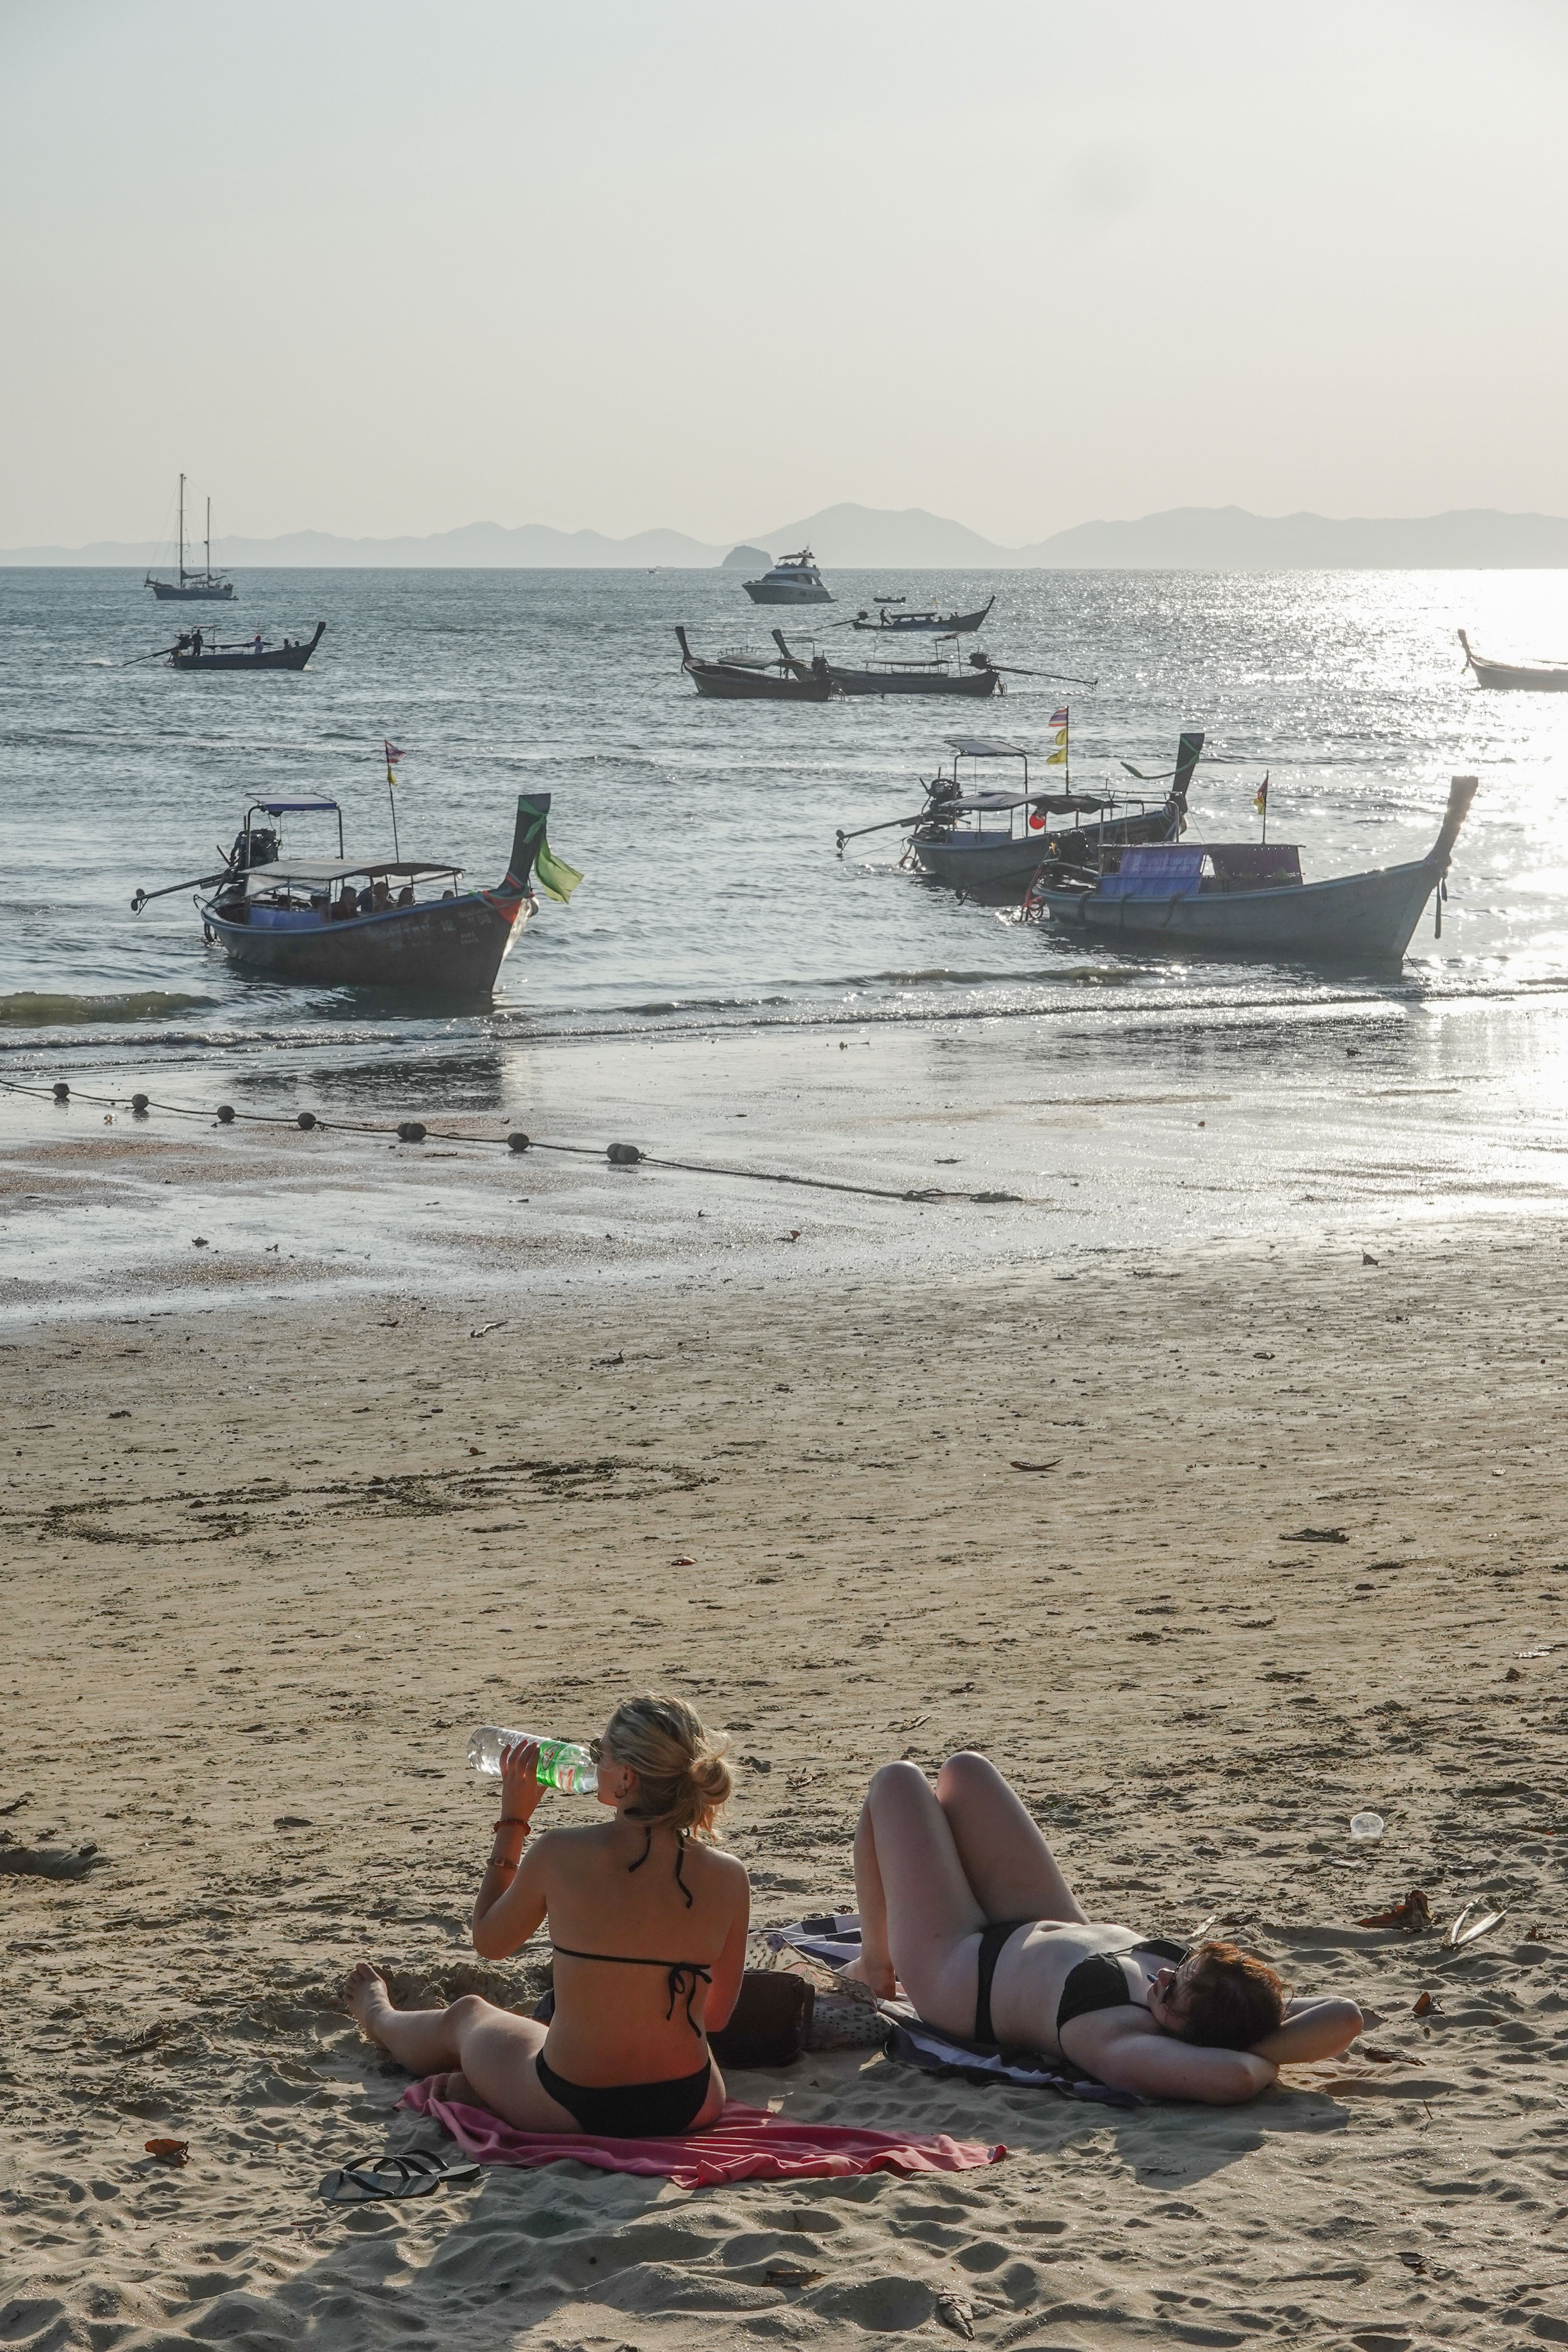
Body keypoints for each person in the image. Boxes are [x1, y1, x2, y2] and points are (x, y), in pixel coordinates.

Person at [847, 1752, 1362, 2104]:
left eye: (1176, 1990)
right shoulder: (1225, 2007)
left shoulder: (1123, 2040)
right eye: (1184, 1967)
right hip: (1037, 1918)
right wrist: (1253, 2032)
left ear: (1195, 2037)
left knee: (895, 1782)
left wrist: (1222, 2051)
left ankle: (877, 1966)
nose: (1164, 1975)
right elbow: (1346, 2015)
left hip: (962, 1971)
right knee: (965, 1771)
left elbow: (1238, 2077)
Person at [349, 1696, 748, 2137]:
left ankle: (377, 2016)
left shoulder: (560, 1853)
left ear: (627, 1778)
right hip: (689, 2103)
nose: (593, 1761)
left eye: (602, 1754)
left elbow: (490, 1941)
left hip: (571, 2103)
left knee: (467, 2015)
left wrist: (514, 1820)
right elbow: (714, 2018)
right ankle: (491, 2087)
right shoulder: (730, 1877)